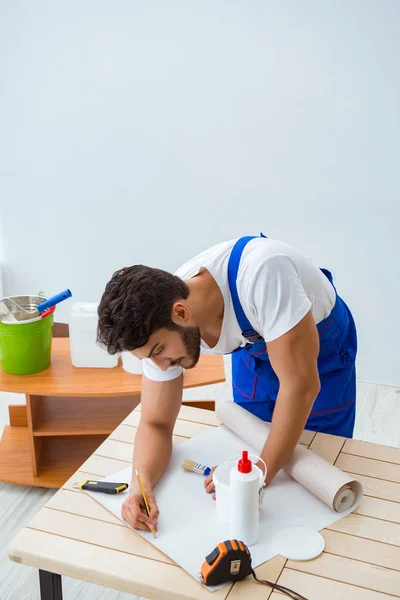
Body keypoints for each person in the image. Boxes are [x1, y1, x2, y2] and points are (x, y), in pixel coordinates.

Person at [97, 234, 357, 534]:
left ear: (181, 313)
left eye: (158, 352)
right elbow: (156, 422)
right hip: (252, 349)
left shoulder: (264, 274)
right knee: (252, 443)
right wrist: (139, 486)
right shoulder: (155, 323)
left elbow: (301, 387)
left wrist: (258, 472)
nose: (161, 366)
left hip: (319, 347)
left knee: (319, 463)